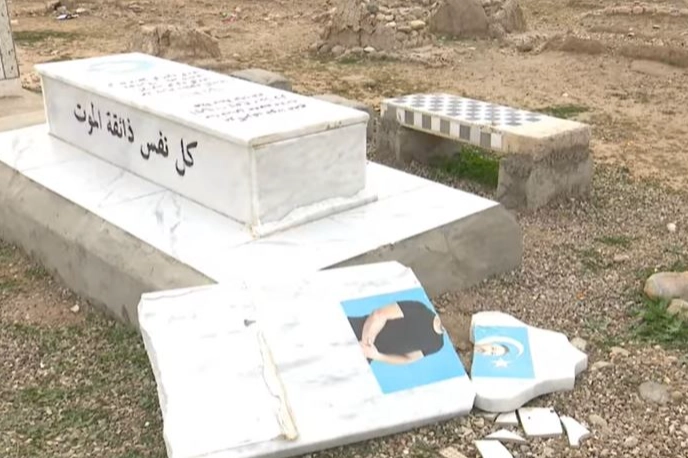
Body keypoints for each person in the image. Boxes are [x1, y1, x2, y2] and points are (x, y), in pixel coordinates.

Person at [347, 300, 445, 365]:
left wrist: (377, 356)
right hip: (357, 331)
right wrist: (366, 343)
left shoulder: (437, 344)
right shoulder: (421, 309)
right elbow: (379, 314)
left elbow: (407, 358)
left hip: (368, 353)